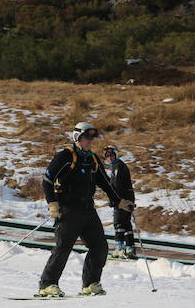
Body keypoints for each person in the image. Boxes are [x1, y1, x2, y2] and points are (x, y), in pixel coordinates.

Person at [38, 121, 135, 297]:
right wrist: (52, 203)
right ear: (77, 138)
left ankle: (91, 284)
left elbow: (105, 183)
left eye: (92, 138)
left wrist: (119, 201)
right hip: (68, 209)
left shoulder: (92, 159)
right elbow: (47, 180)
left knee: (100, 247)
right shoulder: (65, 156)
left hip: (88, 210)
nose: (90, 141)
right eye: (86, 137)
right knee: (63, 248)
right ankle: (48, 284)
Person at [103, 145, 138, 260]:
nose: (110, 158)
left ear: (115, 155)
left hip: (122, 199)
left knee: (118, 223)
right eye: (107, 156)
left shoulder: (118, 167)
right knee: (126, 224)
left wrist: (114, 200)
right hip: (127, 198)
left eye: (111, 155)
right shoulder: (117, 166)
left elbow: (116, 185)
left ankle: (119, 248)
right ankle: (130, 248)